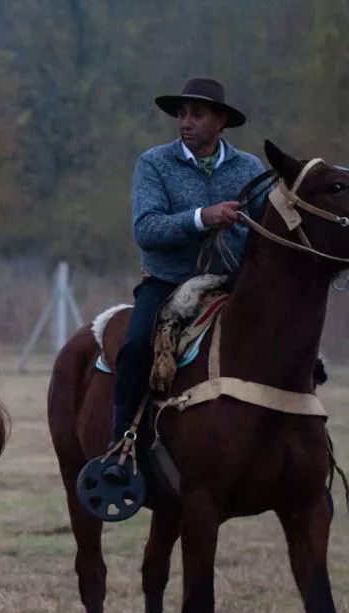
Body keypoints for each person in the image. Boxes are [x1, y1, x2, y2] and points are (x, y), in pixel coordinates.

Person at [109, 77, 266, 450]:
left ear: (220, 121)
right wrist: (202, 217)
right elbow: (146, 229)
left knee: (295, 341)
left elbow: (265, 233)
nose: (185, 121)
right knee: (134, 349)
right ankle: (118, 446)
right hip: (167, 283)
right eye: (181, 114)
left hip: (235, 283)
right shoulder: (154, 163)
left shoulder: (250, 167)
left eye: (197, 113)